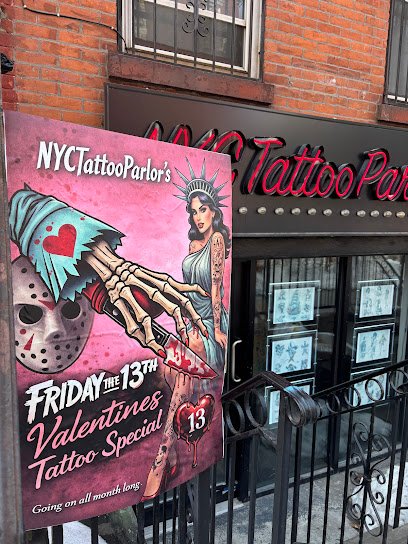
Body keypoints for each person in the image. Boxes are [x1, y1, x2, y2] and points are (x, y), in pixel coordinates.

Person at [142, 159, 230, 499]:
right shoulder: (193, 245)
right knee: (170, 379)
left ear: (213, 212)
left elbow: (216, 288)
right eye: (193, 211)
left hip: (208, 322)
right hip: (191, 319)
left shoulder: (217, 240)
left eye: (202, 210)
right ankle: (172, 457)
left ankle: (161, 462)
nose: (197, 217)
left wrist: (216, 329)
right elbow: (188, 287)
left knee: (182, 383)